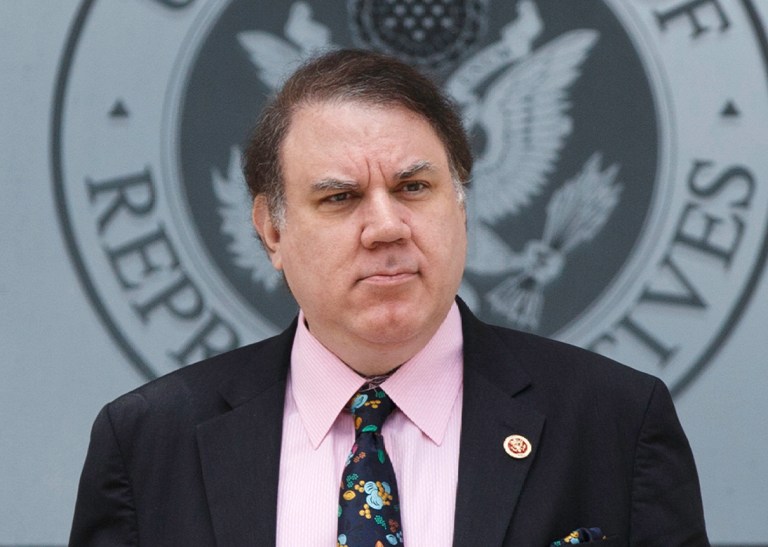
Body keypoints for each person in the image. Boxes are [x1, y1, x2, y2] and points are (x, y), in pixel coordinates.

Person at [69, 49, 709, 546]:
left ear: (460, 206)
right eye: (340, 197)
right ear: (271, 230)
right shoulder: (150, 442)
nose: (386, 227)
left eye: (413, 188)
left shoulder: (616, 423)